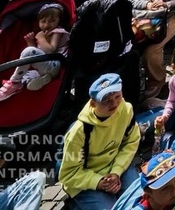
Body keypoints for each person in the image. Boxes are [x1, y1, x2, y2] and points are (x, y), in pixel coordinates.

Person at [58, 73, 142, 210]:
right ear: (93, 103)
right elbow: (68, 175)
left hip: (115, 166)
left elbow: (131, 142)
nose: (114, 103)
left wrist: (116, 172)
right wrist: (98, 182)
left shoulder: (126, 109)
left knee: (140, 201)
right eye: (106, 101)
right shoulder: (79, 132)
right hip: (86, 178)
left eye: (117, 97)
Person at [0, 2, 69, 101]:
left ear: (59, 20)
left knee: (29, 52)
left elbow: (50, 50)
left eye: (52, 21)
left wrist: (40, 38)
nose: (47, 25)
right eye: (43, 21)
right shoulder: (44, 34)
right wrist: (30, 42)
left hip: (55, 65)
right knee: (24, 75)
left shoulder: (57, 32)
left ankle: (14, 83)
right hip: (43, 69)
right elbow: (35, 57)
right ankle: (41, 80)